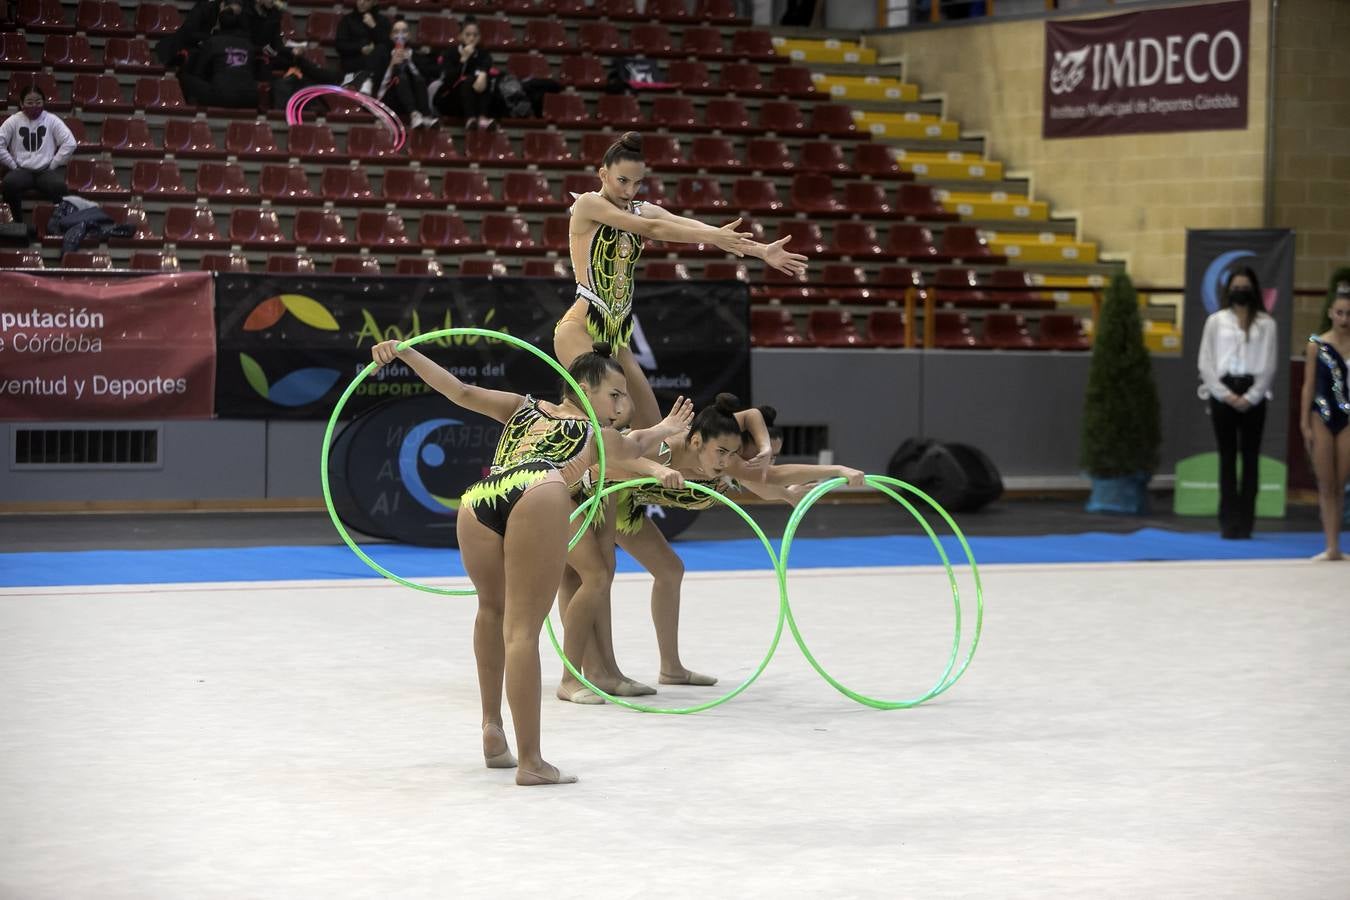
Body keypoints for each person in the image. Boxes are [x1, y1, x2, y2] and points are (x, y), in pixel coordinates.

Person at [369, 338, 692, 785]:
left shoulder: (525, 408)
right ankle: (532, 762)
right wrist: (663, 438)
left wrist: (405, 353)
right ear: (582, 389)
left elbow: (458, 391)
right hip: (541, 487)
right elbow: (633, 446)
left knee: (490, 610)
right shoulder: (599, 435)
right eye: (614, 395)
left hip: (481, 494)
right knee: (522, 630)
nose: (621, 405)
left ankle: (491, 726)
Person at [563, 395, 865, 695]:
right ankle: (588, 672)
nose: (731, 460)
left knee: (669, 570)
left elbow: (769, 476)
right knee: (594, 577)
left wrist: (831, 472)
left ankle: (671, 668)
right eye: (759, 455)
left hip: (626, 498)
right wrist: (656, 470)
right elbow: (613, 454)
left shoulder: (724, 460)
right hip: (594, 487)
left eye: (735, 454)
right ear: (698, 443)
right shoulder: (670, 449)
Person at [557, 131, 809, 433]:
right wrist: (713, 237)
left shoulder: (639, 208)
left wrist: (760, 250)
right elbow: (652, 227)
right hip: (581, 327)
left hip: (616, 334)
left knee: (649, 427)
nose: (629, 190)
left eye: (637, 183)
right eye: (622, 180)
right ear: (603, 174)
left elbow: (689, 224)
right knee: (612, 418)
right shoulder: (588, 204)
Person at [1197, 267, 1279, 539]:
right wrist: (1224, 394)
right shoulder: (1216, 321)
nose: (1240, 291)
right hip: (1224, 391)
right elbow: (1205, 362)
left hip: (1254, 392)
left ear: (1254, 290)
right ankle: (1228, 521)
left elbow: (1269, 365)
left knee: (1251, 458)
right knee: (1228, 458)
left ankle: (1247, 522)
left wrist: (1252, 396)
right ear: (1228, 290)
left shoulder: (1267, 324)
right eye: (1236, 286)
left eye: (1245, 286)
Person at [1300, 281, 1350, 561]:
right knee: (1325, 482)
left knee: (1339, 483)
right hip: (1322, 414)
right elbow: (1308, 386)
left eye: (1349, 314)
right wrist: (1304, 422)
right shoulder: (1316, 344)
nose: (1344, 319)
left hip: (1348, 417)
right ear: (1331, 312)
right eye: (1340, 313)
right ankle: (1330, 545)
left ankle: (1337, 547)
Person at [0, 88, 75, 225]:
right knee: (9, 184)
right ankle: (16, 223)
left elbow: (70, 143)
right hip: (21, 170)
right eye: (29, 102)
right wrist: (12, 164)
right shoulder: (13, 120)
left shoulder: (51, 119)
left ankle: (61, 224)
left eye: (38, 102)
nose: (34, 106)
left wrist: (54, 164)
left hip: (45, 171)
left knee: (60, 187)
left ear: (44, 103)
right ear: (22, 104)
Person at [180, 5, 260, 109]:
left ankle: (191, 112)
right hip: (251, 99)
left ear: (219, 24)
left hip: (222, 97)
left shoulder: (213, 42)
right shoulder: (248, 44)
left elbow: (199, 72)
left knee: (184, 77)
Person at [431, 15, 495, 131]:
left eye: (475, 35)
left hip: (474, 99)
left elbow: (485, 67)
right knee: (469, 80)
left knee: (485, 78)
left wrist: (483, 74)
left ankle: (481, 118)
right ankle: (471, 119)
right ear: (460, 36)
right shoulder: (449, 53)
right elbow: (449, 79)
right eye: (468, 34)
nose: (471, 38)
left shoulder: (484, 54)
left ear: (479, 38)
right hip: (451, 99)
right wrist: (463, 59)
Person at [377, 17, 438, 129]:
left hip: (411, 97)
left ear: (409, 35)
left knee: (418, 78)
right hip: (389, 98)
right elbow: (378, 83)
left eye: (404, 31)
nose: (400, 35)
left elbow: (427, 75)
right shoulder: (383, 53)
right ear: (391, 36)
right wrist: (391, 64)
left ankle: (426, 116)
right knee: (401, 77)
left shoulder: (415, 55)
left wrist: (409, 61)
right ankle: (414, 114)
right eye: (396, 32)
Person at [335, 0, 391, 94]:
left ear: (375, 2)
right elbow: (340, 45)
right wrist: (361, 48)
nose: (361, 2)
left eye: (367, 0)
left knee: (381, 49)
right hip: (353, 61)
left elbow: (388, 45)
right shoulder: (347, 20)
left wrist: (373, 26)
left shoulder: (383, 21)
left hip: (377, 66)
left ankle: (366, 78)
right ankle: (366, 79)